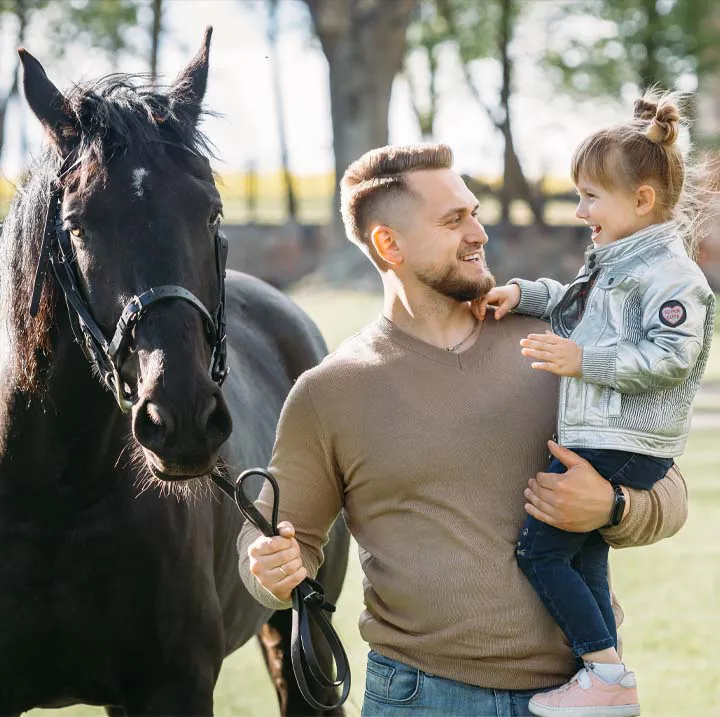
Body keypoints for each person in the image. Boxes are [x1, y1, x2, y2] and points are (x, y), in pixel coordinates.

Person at [237, 143, 689, 717]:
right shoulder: (330, 392)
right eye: (454, 220)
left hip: (586, 694)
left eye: (473, 212)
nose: (479, 232)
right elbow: (273, 542)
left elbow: (670, 490)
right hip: (421, 698)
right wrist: (267, 568)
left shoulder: (564, 342)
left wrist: (613, 506)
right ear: (389, 244)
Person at [474, 92, 714, 717]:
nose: (580, 211)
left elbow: (672, 358)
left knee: (540, 550)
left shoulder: (673, 277)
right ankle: (605, 674)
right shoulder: (617, 262)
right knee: (584, 548)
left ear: (642, 201)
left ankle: (605, 674)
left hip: (625, 440)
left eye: (590, 197)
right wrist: (525, 293)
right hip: (603, 435)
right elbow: (578, 303)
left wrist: (585, 361)